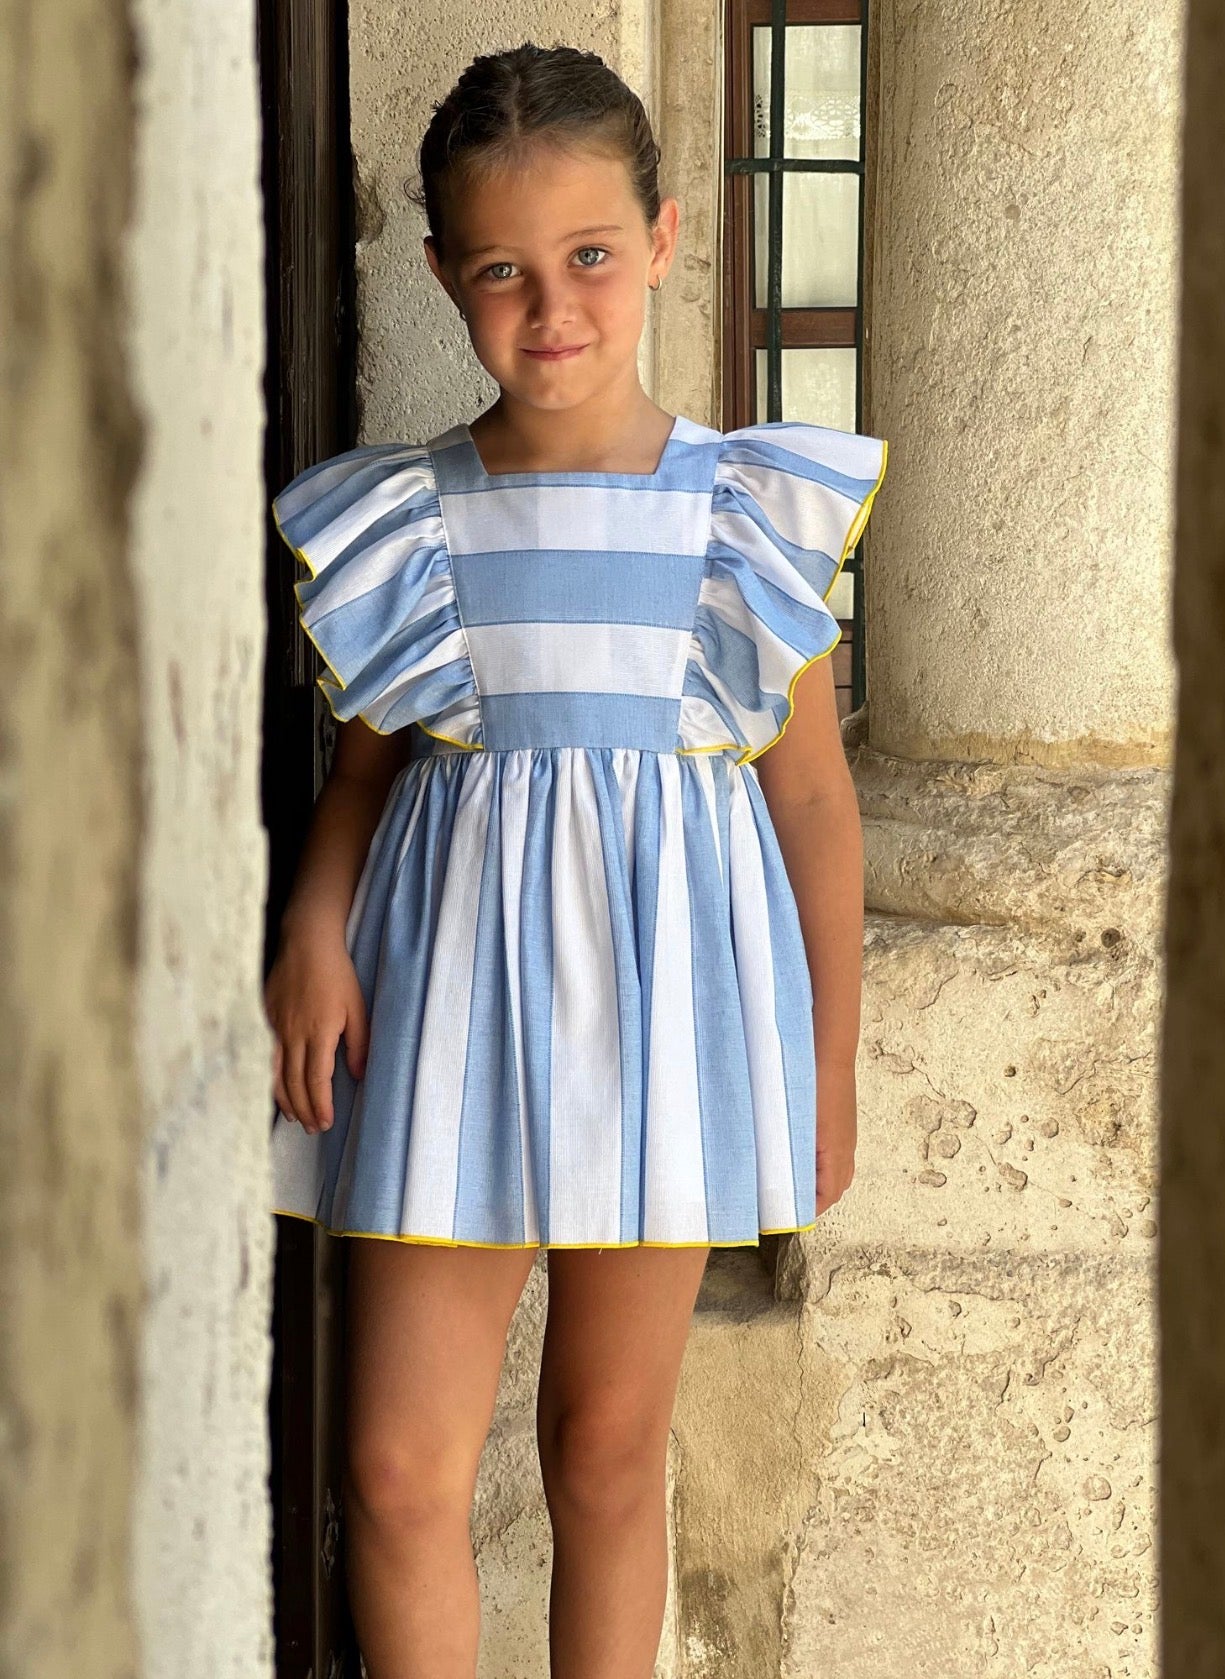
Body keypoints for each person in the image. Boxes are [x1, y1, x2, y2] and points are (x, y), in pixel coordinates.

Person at [263, 39, 887, 1679]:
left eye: (591, 256)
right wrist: (314, 927)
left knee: (605, 1453)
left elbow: (813, 805)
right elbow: (364, 769)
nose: (552, 308)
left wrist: (823, 1060)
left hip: (664, 1010)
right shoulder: (414, 516)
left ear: (665, 239)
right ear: (441, 277)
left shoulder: (738, 512)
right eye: (503, 272)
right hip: (442, 1005)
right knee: (395, 1471)